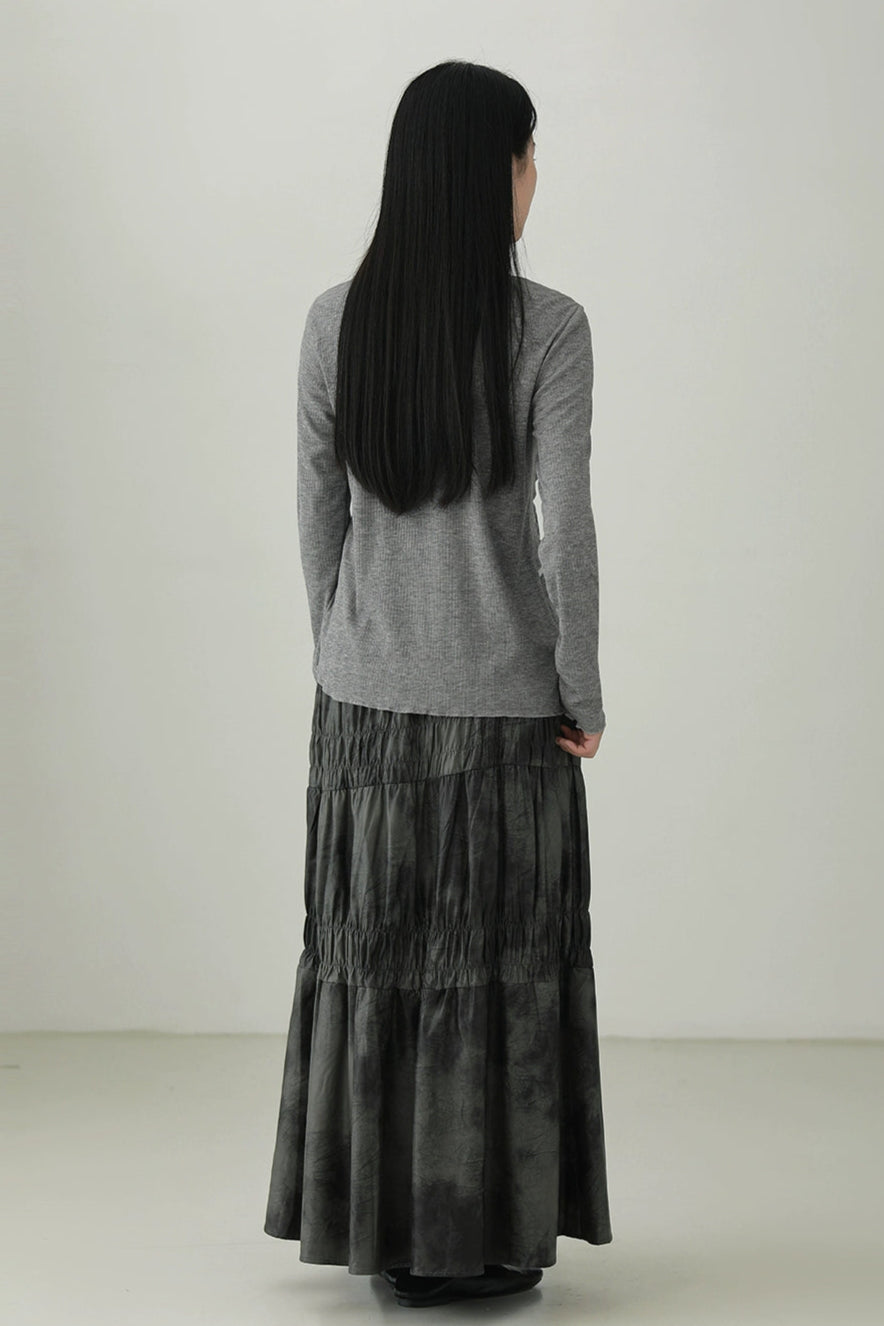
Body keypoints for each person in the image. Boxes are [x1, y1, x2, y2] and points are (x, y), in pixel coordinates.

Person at [263, 59, 612, 1309]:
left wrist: (348, 649)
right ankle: (493, 1237)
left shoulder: (334, 320)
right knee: (502, 972)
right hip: (507, 715)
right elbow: (565, 530)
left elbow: (317, 516)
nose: (535, 177)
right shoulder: (548, 327)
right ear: (489, 173)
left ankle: (388, 1239)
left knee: (377, 967)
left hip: (362, 711)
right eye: (527, 154)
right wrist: (579, 689)